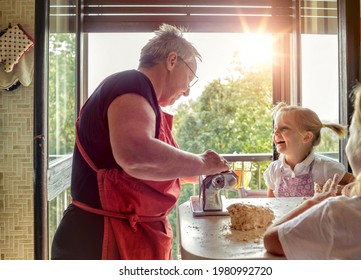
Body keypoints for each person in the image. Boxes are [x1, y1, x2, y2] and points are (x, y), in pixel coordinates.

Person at [51, 23, 230, 260]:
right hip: (99, 238)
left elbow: (152, 167)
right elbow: (136, 155)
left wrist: (197, 171)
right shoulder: (132, 83)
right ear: (172, 60)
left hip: (126, 234)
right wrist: (203, 163)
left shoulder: (144, 101)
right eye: (190, 77)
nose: (187, 91)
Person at [263, 83, 361, 259]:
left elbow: (271, 240)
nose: (276, 132)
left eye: (351, 133)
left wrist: (313, 203)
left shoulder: (334, 213)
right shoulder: (274, 170)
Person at [264, 102, 354, 197]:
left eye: (284, 129)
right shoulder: (274, 170)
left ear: (306, 137)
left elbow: (358, 183)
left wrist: (340, 190)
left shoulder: (325, 167)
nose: (276, 133)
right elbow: (271, 202)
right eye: (275, 129)